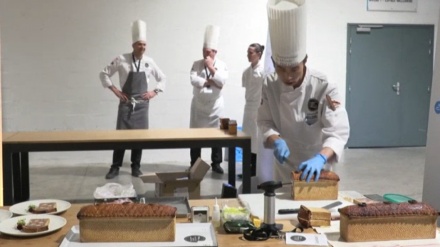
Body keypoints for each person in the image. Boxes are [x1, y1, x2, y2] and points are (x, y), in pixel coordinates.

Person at [258, 0, 350, 184]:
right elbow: (265, 121)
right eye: (281, 69)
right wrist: (276, 140)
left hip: (317, 167)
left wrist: (321, 158)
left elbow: (338, 132)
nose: (288, 76)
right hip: (284, 168)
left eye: (294, 69)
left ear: (305, 60)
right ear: (274, 64)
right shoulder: (270, 84)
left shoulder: (324, 86)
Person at [99, 20, 166, 179]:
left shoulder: (149, 62)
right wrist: (115, 90)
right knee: (120, 138)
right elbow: (103, 73)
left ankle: (136, 166)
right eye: (139, 44)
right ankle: (115, 167)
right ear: (133, 45)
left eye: (144, 44)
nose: (142, 47)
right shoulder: (121, 59)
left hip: (142, 106)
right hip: (126, 103)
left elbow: (163, 78)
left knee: (140, 138)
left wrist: (154, 92)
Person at [189, 25, 228, 174]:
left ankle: (216, 163)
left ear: (215, 52)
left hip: (215, 107)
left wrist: (211, 68)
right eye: (204, 51)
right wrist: (209, 81)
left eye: (208, 52)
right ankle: (194, 162)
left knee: (216, 136)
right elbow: (193, 79)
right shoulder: (196, 64)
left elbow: (222, 81)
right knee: (195, 137)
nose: (205, 54)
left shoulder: (222, 65)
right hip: (198, 106)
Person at [242, 43, 265, 177]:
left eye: (251, 53)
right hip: (248, 107)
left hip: (258, 107)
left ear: (259, 54)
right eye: (248, 52)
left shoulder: (263, 71)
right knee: (248, 138)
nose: (248, 55)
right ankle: (247, 167)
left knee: (256, 139)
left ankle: (255, 170)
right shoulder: (246, 72)